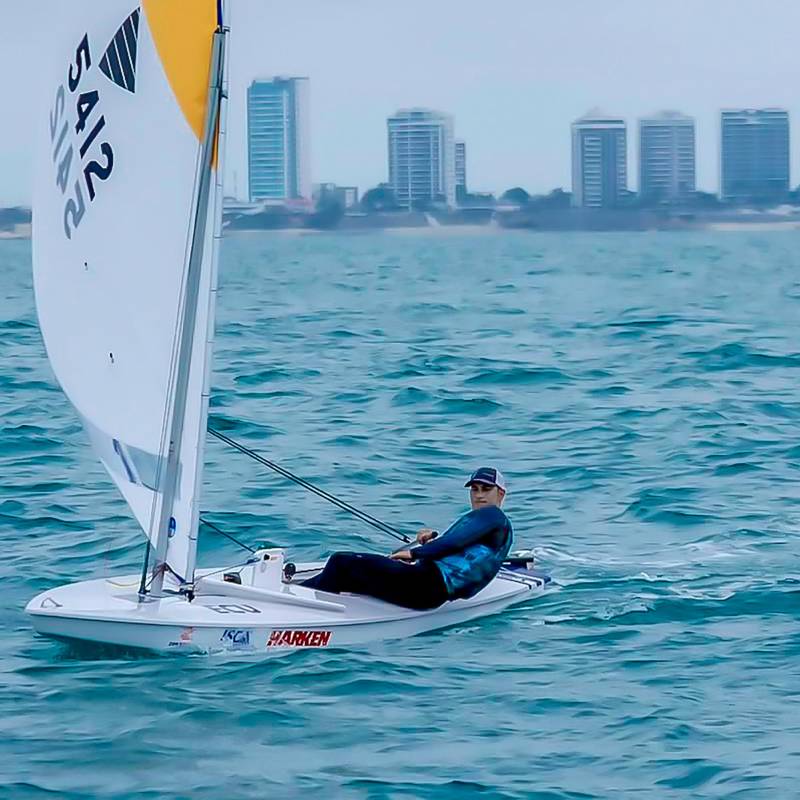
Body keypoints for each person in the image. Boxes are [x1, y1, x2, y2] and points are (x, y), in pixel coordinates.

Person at [301, 467, 513, 610]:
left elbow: (454, 543)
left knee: (342, 562)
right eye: (475, 489)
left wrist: (414, 552)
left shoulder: (492, 515)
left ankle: (303, 602)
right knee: (350, 574)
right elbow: (461, 548)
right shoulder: (492, 524)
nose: (478, 495)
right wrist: (430, 541)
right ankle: (302, 593)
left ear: (501, 493)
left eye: (486, 489)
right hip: (429, 591)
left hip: (426, 584)